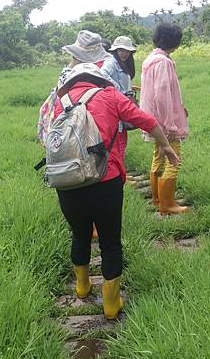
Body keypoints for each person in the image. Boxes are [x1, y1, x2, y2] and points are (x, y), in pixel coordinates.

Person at [45, 62, 179, 320]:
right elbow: (147, 121)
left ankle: (82, 288)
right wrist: (165, 146)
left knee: (79, 236)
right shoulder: (109, 95)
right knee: (110, 244)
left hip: (67, 182)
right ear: (99, 79)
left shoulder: (61, 101)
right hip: (105, 183)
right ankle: (110, 304)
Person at [38, 30, 113, 240]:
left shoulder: (66, 71)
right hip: (77, 129)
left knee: (71, 170)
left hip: (60, 129)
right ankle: (90, 225)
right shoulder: (89, 74)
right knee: (86, 169)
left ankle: (79, 224)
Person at [139, 23, 189, 215]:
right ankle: (167, 205)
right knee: (173, 159)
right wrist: (170, 124)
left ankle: (157, 199)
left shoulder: (150, 59)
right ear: (175, 42)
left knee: (158, 157)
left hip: (152, 120)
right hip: (164, 122)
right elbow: (161, 94)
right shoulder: (163, 62)